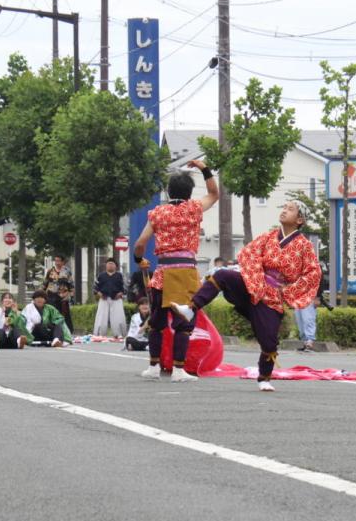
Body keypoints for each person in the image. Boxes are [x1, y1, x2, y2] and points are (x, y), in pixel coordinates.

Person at [176, 200, 322, 391]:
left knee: (269, 342)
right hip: (254, 285)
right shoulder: (268, 236)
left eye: (291, 209)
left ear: (300, 219)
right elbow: (248, 254)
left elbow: (313, 274)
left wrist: (287, 292)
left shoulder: (305, 246)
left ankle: (264, 378)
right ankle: (191, 308)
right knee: (222, 275)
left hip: (273, 297)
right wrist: (255, 278)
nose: (285, 210)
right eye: (284, 207)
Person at [134, 159, 219, 381]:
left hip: (162, 273)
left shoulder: (158, 213)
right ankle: (179, 370)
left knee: (157, 321)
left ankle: (153, 367)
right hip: (186, 273)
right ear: (190, 192)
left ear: (168, 191)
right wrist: (203, 168)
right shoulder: (194, 209)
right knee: (183, 323)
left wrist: (139, 259)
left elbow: (140, 243)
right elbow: (213, 193)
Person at [93, 258, 127, 337]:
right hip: (104, 298)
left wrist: (121, 293)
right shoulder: (101, 275)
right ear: (106, 266)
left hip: (116, 299)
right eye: (108, 264)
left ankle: (119, 334)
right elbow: (95, 287)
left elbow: (125, 287)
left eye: (112, 264)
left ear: (116, 266)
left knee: (118, 317)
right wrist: (99, 293)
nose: (110, 265)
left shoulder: (120, 275)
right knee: (101, 317)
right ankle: (100, 334)